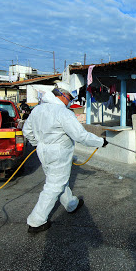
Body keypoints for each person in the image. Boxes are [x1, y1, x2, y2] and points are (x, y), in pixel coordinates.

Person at [22, 87, 108, 233]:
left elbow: (27, 131)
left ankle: (71, 204)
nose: (69, 102)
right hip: (58, 153)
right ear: (61, 95)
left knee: (58, 180)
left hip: (43, 151)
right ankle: (36, 221)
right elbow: (81, 136)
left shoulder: (37, 110)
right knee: (54, 185)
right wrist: (100, 142)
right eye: (69, 98)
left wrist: (40, 145)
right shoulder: (63, 113)